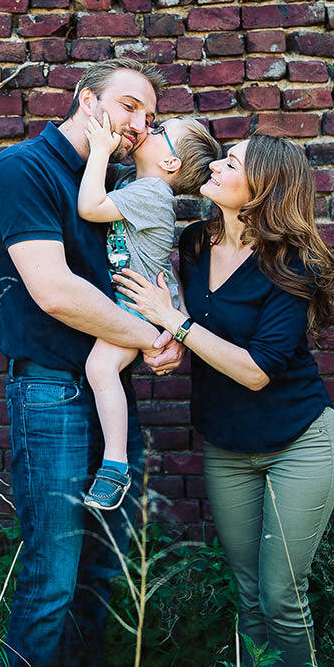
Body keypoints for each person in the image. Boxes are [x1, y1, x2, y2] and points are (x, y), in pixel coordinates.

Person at [115, 132, 334, 667]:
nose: (214, 165)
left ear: (263, 187)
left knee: (281, 594)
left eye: (231, 162)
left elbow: (255, 370)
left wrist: (179, 326)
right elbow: (168, 311)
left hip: (300, 443)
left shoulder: (293, 267)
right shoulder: (193, 243)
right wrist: (161, 343)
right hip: (228, 446)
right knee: (248, 592)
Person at [0, 57, 186, 667]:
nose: (138, 126)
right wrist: (154, 340)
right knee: (53, 573)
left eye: (149, 119)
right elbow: (55, 291)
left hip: (109, 395)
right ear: (86, 100)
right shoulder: (23, 170)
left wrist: (167, 327)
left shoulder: (123, 183)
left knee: (102, 571)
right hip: (51, 394)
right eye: (129, 108)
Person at [77, 113, 219, 510]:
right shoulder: (133, 181)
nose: (148, 130)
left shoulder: (154, 191)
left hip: (142, 306)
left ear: (171, 164)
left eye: (158, 132)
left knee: (100, 368)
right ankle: (113, 459)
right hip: (137, 299)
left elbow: (90, 206)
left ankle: (115, 465)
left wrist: (102, 150)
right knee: (105, 372)